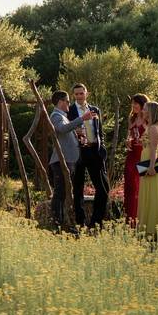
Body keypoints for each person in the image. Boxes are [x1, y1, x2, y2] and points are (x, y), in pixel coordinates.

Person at [48, 90, 95, 228]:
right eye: (68, 101)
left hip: (68, 160)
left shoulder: (63, 116)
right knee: (60, 193)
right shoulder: (56, 115)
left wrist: (75, 133)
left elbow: (65, 132)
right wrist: (82, 118)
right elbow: (62, 129)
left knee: (63, 193)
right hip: (61, 161)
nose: (70, 103)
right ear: (60, 102)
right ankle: (57, 223)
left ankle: (61, 223)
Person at [67, 83, 109, 228]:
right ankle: (80, 222)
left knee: (103, 189)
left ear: (87, 93)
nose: (79, 96)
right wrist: (74, 132)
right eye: (76, 94)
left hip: (94, 151)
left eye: (81, 93)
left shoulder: (94, 110)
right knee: (78, 188)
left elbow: (100, 132)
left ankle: (95, 223)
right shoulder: (70, 110)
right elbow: (65, 131)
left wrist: (102, 146)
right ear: (73, 95)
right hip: (78, 152)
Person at [137, 101, 158, 237]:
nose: (143, 111)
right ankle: (151, 228)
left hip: (152, 162)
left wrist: (151, 166)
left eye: (145, 109)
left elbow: (153, 149)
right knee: (151, 194)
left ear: (151, 111)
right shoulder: (155, 127)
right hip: (154, 159)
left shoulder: (153, 128)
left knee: (152, 195)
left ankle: (152, 230)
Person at [124, 93, 150, 225]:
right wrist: (127, 141)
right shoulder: (131, 118)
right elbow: (130, 135)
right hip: (131, 156)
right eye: (132, 103)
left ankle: (141, 220)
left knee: (142, 188)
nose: (133, 106)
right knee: (130, 187)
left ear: (143, 104)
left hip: (144, 156)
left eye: (136, 103)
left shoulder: (149, 119)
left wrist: (148, 141)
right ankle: (130, 220)